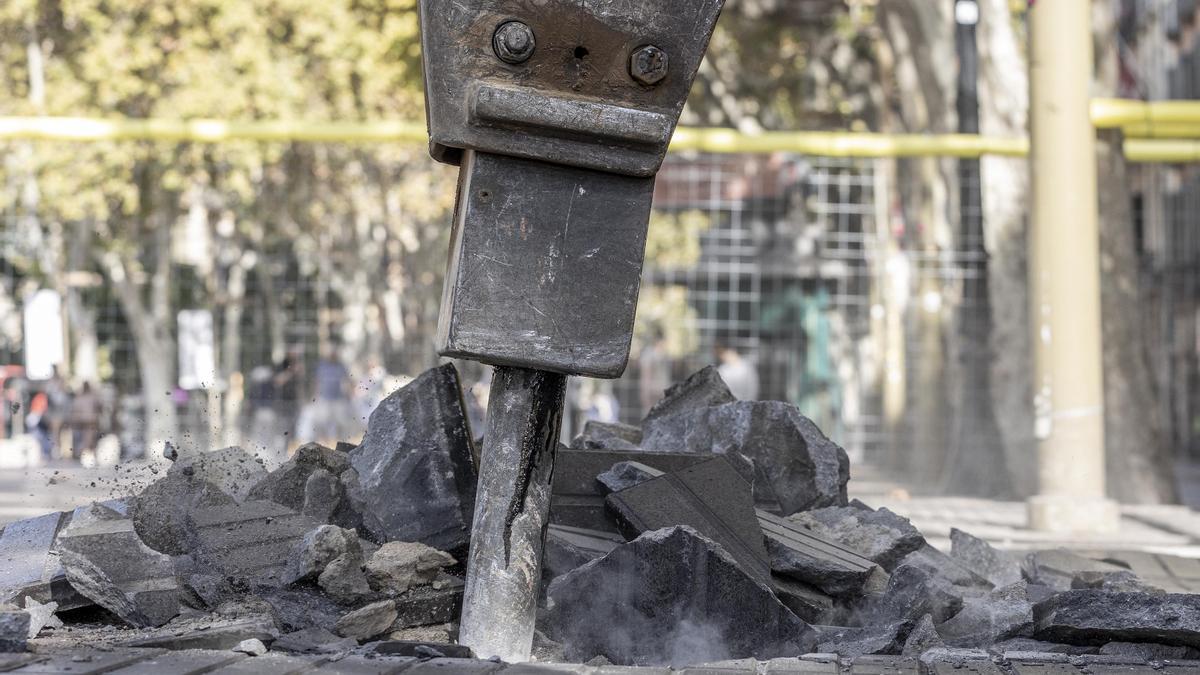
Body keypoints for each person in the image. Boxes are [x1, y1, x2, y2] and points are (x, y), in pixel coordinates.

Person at [311, 346, 351, 442]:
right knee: (321, 421)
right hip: (324, 398)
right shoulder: (322, 366)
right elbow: (317, 381)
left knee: (342, 422)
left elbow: (346, 380)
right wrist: (314, 395)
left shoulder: (341, 366)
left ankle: (342, 442)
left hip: (338, 398)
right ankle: (322, 441)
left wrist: (349, 394)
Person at [638, 330, 671, 415]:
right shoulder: (650, 354)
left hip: (659, 391)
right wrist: (645, 392)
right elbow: (646, 374)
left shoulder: (663, 355)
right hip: (654, 391)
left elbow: (646, 375)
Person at [68, 382, 101, 461]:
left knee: (89, 434)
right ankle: (85, 450)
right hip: (85, 420)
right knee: (87, 434)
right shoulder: (88, 397)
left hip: (88, 420)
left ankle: (86, 450)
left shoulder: (89, 397)